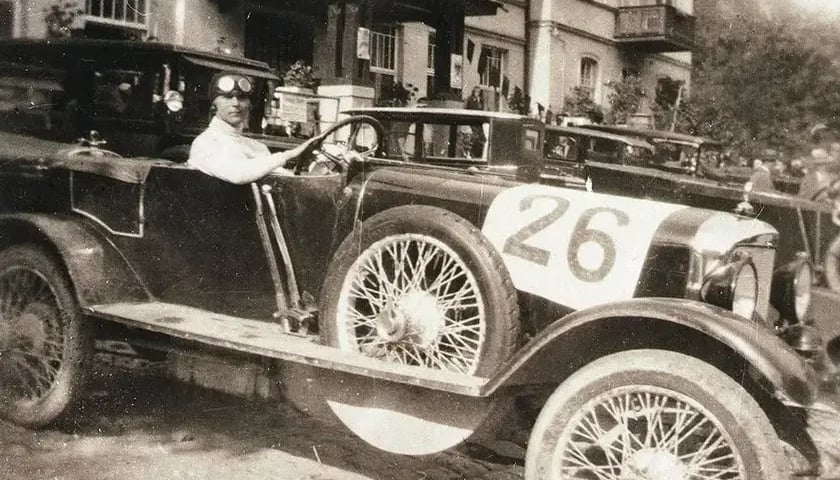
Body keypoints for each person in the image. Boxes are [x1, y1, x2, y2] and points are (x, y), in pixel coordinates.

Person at [189, 72, 322, 184]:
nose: (235, 103)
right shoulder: (205, 143)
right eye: (228, 97)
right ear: (214, 104)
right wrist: (287, 155)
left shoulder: (256, 146)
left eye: (242, 98)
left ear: (249, 104)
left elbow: (286, 179)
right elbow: (237, 174)